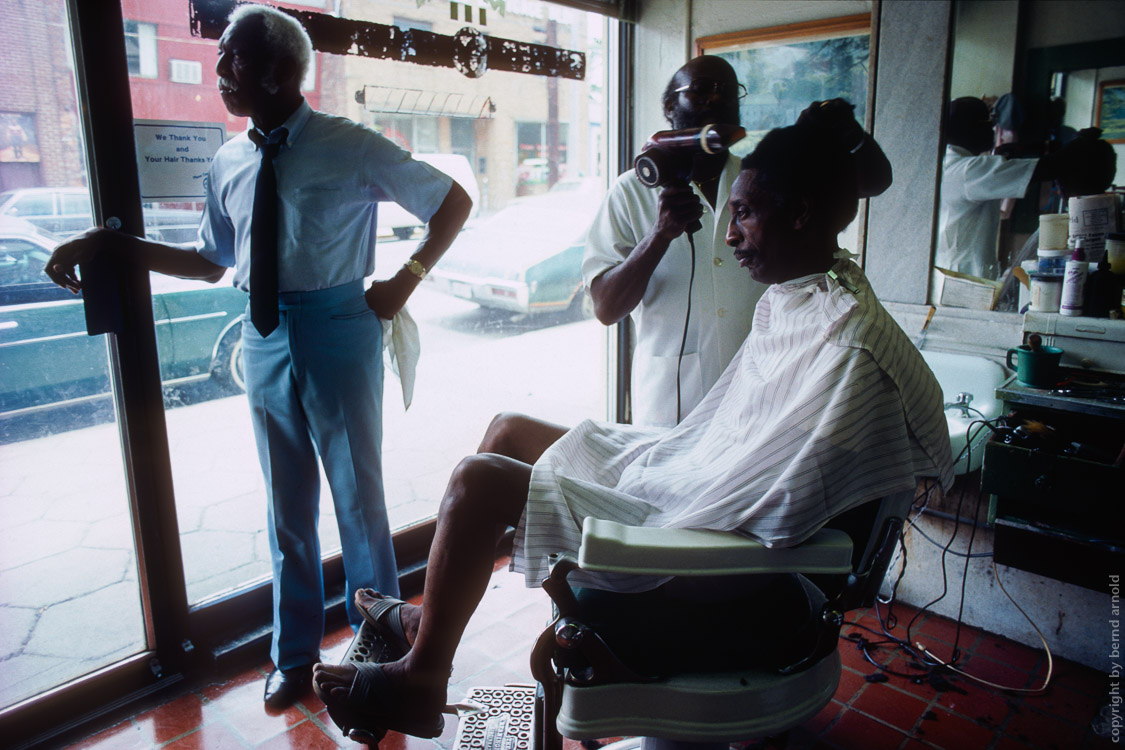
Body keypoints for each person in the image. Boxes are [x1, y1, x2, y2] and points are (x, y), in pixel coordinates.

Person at [311, 120, 953, 742]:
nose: (729, 235)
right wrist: (671, 462)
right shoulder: (801, 295)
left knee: (477, 482)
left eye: (745, 215)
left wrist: (670, 486)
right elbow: (733, 434)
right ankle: (430, 625)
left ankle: (423, 677)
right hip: (694, 475)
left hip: (712, 549)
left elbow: (783, 501)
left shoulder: (849, 346)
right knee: (507, 429)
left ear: (803, 214)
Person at [44, 5, 473, 709]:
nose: (218, 73)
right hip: (263, 336)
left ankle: (384, 651)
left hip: (341, 325)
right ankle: (293, 654)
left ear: (277, 70)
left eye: (231, 60)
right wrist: (105, 241)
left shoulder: (349, 144)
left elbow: (450, 201)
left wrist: (406, 278)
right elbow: (208, 261)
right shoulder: (229, 160)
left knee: (358, 501)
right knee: (285, 506)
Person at [582, 55, 891, 427]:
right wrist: (659, 235)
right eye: (700, 91)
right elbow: (605, 308)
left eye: (727, 92)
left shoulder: (758, 179)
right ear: (669, 107)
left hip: (762, 394)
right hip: (671, 403)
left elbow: (874, 182)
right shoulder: (631, 191)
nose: (715, 99)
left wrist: (849, 133)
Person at [936, 96, 1116, 280]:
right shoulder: (969, 171)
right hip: (962, 277)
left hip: (958, 273)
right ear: (969, 129)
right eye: (989, 124)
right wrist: (1082, 141)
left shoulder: (950, 165)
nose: (993, 130)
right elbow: (1048, 167)